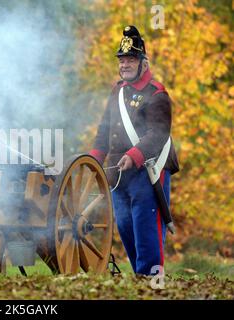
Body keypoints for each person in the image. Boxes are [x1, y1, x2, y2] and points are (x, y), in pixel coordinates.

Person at [89, 25, 179, 275]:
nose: (125, 64)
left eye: (130, 59)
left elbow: (159, 134)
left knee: (146, 225)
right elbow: (104, 129)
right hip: (118, 172)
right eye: (122, 59)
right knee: (126, 225)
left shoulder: (156, 93)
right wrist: (95, 159)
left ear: (143, 63)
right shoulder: (117, 91)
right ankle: (142, 276)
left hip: (148, 169)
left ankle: (152, 280)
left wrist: (134, 156)